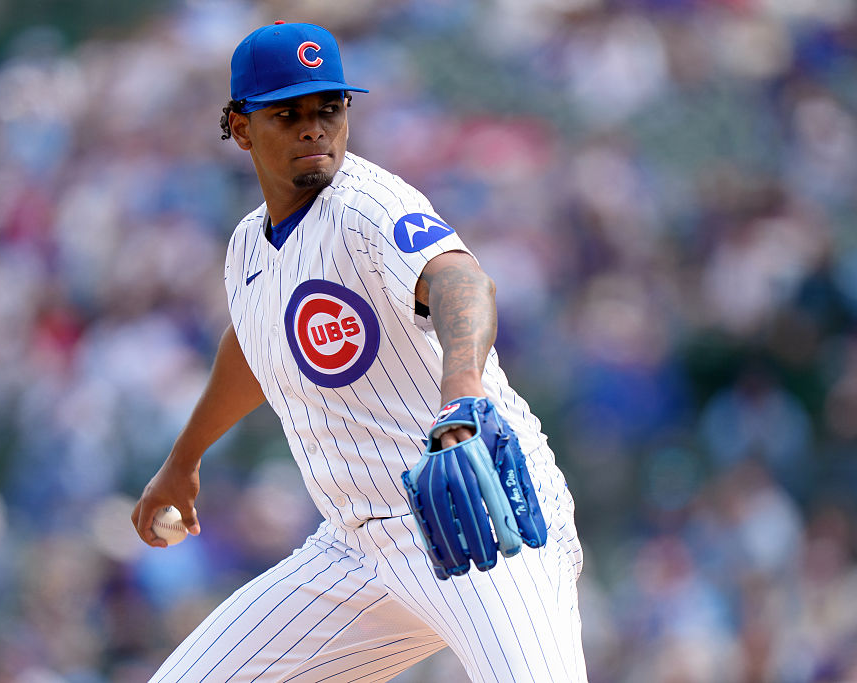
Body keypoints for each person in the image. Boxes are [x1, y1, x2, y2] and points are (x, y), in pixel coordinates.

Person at [132, 20, 587, 683]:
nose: (314, 127)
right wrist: (184, 458)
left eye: (330, 108)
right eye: (288, 114)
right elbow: (258, 346)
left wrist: (462, 387)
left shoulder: (368, 206)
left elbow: (461, 279)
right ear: (239, 126)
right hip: (356, 550)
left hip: (477, 515)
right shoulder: (248, 248)